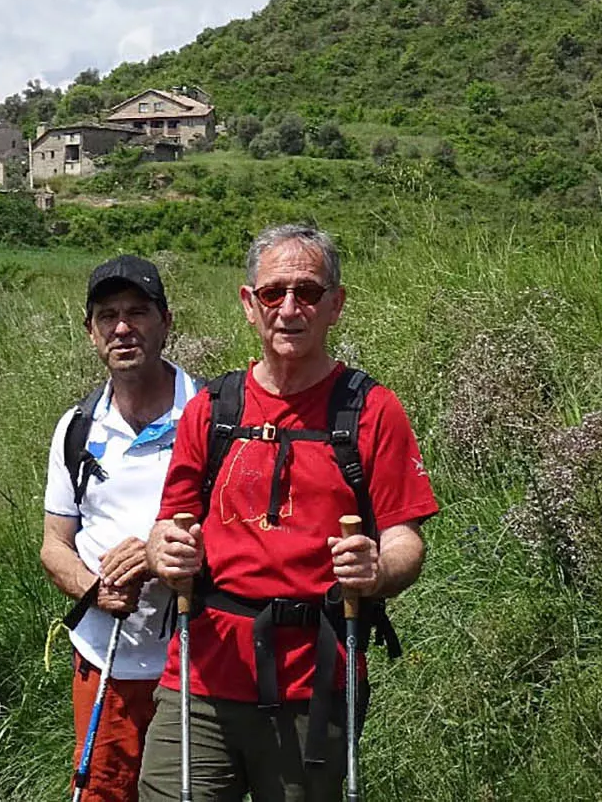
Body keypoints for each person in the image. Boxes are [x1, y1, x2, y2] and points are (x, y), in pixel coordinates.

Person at [140, 224, 439, 802]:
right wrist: (164, 552)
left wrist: (377, 568)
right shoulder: (211, 410)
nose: (290, 308)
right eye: (273, 293)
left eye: (307, 292)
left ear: (336, 305)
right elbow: (168, 525)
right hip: (201, 681)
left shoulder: (371, 411)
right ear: (249, 304)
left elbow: (406, 538)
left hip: (315, 686)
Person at [41, 255, 200, 802]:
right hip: (103, 656)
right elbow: (54, 546)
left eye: (138, 312)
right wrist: (94, 588)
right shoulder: (77, 427)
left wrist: (160, 557)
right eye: (107, 316)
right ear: (90, 332)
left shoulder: (212, 416)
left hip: (196, 662)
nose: (123, 327)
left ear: (166, 321)